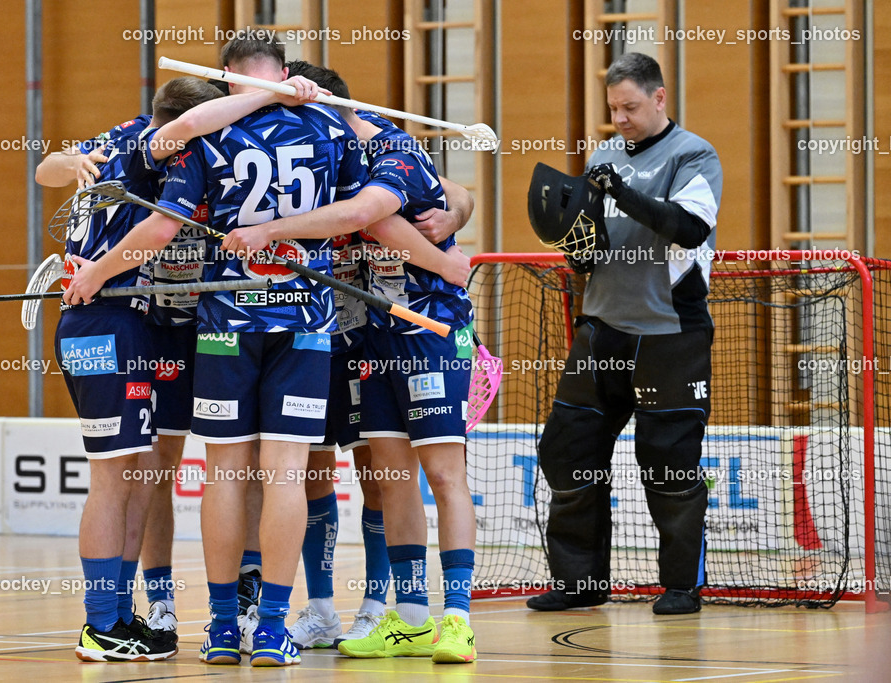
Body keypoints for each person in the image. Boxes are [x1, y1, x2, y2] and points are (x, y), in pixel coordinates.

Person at [62, 34, 370, 667]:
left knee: (225, 474)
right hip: (304, 321)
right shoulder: (328, 131)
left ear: (226, 76)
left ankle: (224, 628)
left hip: (222, 323)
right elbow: (365, 203)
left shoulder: (206, 138)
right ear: (286, 73)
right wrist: (329, 109)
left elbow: (164, 200)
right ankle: (275, 629)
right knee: (281, 473)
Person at [221, 63, 479, 664]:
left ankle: (458, 617)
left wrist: (270, 233)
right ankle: (411, 619)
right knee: (392, 479)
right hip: (366, 338)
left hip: (429, 328)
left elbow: (368, 217)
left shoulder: (390, 145)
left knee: (443, 472)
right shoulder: (331, 157)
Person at [527, 52, 722, 616]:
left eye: (631, 107)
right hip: (602, 328)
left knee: (668, 462)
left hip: (669, 335)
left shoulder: (694, 154)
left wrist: (622, 191)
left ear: (659, 99)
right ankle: (580, 583)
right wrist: (572, 239)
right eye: (613, 108)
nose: (621, 119)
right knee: (566, 452)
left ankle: (681, 586)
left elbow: (690, 226)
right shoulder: (605, 153)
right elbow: (594, 250)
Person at [36, 76, 219, 662]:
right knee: (115, 477)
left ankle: (120, 615)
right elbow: (149, 231)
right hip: (104, 322)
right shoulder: (152, 145)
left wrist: (65, 159)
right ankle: (98, 624)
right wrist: (97, 273)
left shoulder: (122, 135)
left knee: (139, 473)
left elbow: (47, 170)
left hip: (133, 322)